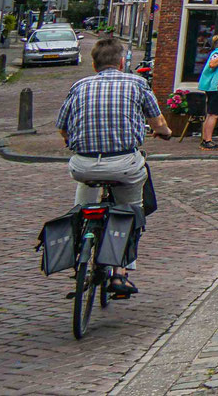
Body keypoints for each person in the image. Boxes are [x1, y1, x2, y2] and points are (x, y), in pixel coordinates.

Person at [60, 35, 172, 296]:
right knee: (129, 213)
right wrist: (164, 132)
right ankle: (120, 275)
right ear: (122, 62)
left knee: (83, 204)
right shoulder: (138, 83)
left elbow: (62, 128)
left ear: (94, 64)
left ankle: (80, 254)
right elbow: (157, 122)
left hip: (84, 165)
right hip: (123, 163)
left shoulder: (79, 86)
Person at [195, 32, 218, 149]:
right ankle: (208, 139)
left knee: (211, 113)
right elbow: (212, 65)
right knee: (214, 114)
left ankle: (205, 139)